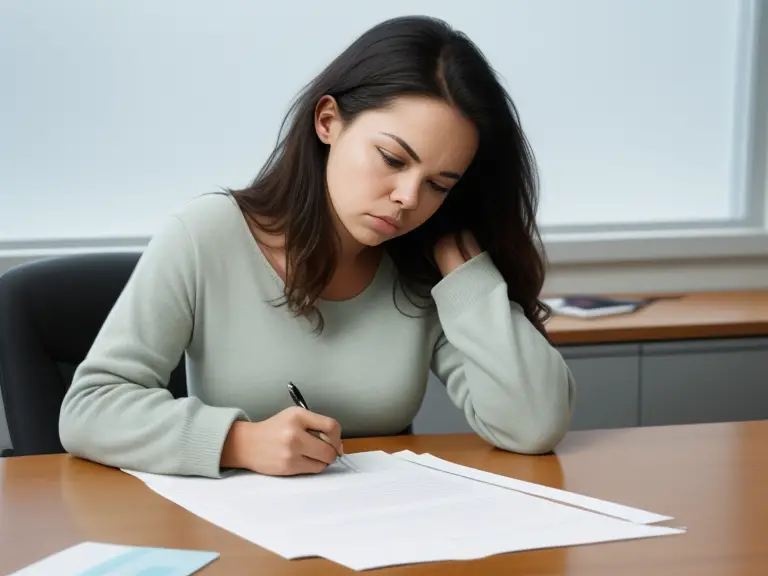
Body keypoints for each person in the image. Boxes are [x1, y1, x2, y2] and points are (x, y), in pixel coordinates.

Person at [59, 15, 575, 478]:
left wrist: (467, 272)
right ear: (328, 121)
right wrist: (239, 442)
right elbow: (90, 408)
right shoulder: (206, 235)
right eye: (393, 159)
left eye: (439, 184)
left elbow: (533, 426)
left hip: (385, 539)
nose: (408, 198)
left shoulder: (427, 272)